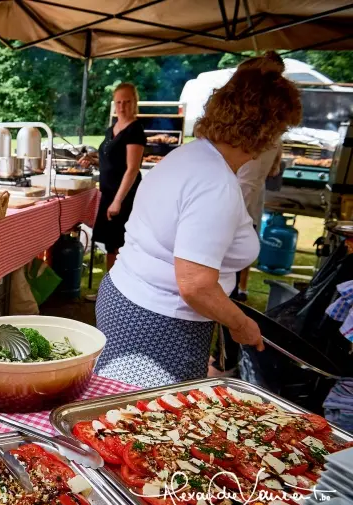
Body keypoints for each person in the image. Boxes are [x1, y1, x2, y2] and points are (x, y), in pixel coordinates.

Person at [93, 52, 302, 388]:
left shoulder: (190, 155)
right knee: (148, 423)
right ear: (265, 132)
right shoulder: (214, 183)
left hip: (134, 305)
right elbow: (195, 284)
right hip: (157, 324)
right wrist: (240, 323)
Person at [82, 83, 145, 271]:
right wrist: (92, 161)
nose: (122, 106)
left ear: (135, 103)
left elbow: (132, 169)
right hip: (108, 192)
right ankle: (109, 289)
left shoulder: (135, 130)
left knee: (120, 244)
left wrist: (117, 201)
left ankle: (118, 291)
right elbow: (111, 160)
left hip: (124, 195)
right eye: (119, 102)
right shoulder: (112, 129)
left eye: (127, 102)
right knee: (111, 244)